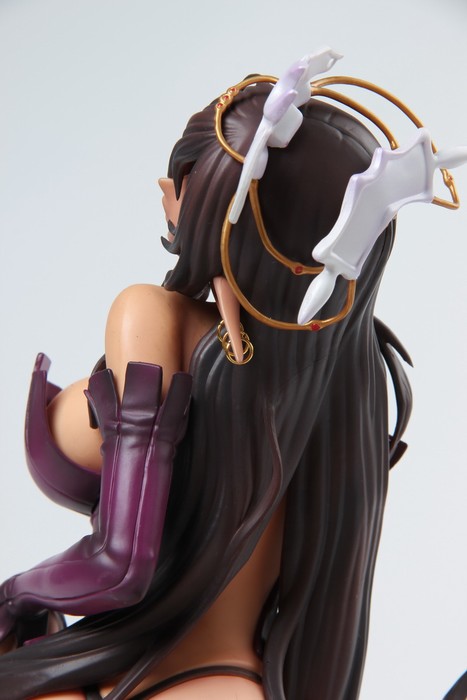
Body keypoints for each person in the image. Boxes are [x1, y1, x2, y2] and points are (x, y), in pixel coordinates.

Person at [0, 54, 443, 699]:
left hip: (143, 674)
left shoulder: (152, 319)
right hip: (242, 683)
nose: (165, 189)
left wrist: (14, 597)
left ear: (222, 214)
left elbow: (120, 564)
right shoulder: (357, 382)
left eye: (185, 181)